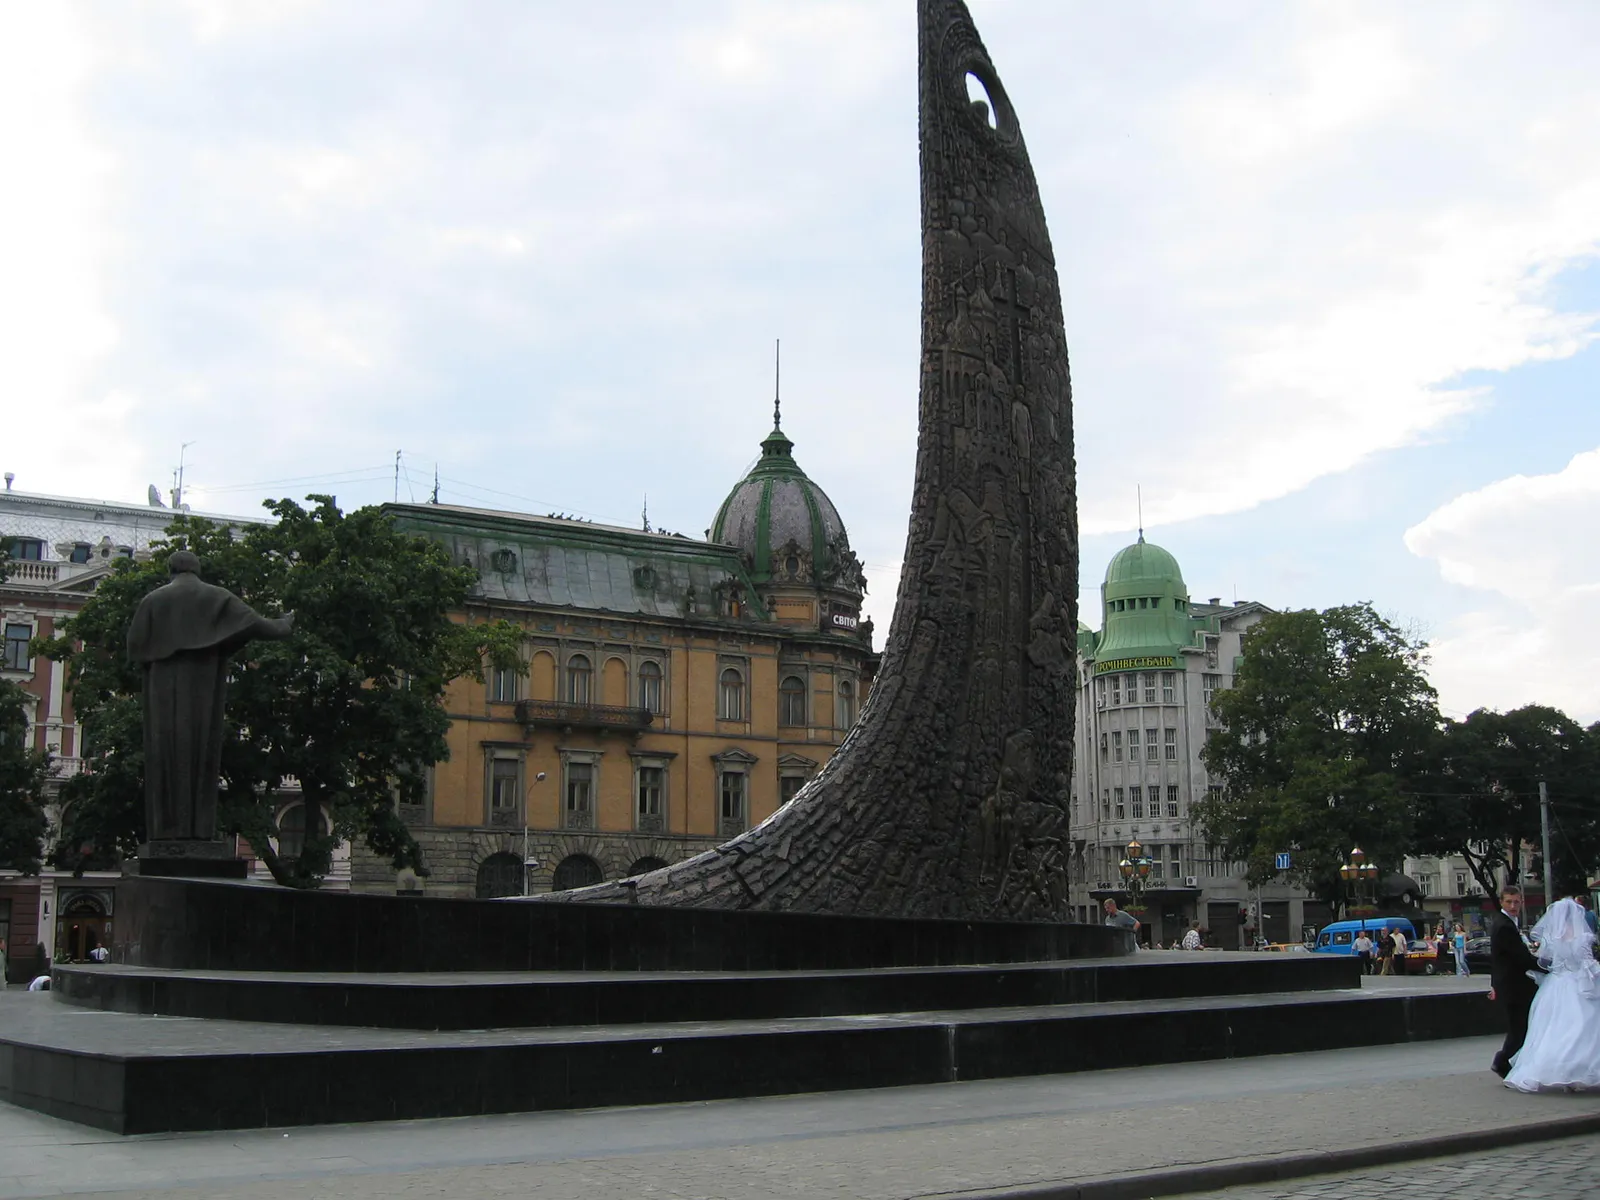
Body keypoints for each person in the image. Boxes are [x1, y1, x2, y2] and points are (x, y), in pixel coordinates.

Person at [1503, 897, 1600, 1092]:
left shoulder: (1552, 939)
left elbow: (1545, 962)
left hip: (1556, 985)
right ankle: (1576, 1073)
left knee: (1553, 1028)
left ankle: (1558, 1072)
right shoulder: (1582, 938)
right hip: (1577, 985)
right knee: (1581, 1028)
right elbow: (1586, 962)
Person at [1489, 885, 1545, 1079]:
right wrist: (1548, 966)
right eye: (1509, 902)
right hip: (1514, 986)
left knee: (1519, 1027)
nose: (1513, 906)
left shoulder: (1507, 922)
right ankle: (1503, 1063)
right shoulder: (1504, 925)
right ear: (1502, 902)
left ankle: (1507, 1063)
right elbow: (1520, 958)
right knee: (1519, 1028)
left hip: (1511, 984)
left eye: (1516, 902)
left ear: (1522, 902)